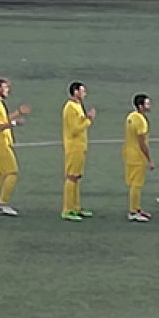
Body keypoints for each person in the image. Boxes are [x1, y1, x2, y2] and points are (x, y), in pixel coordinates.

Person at [0, 78, 29, 216]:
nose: (8, 90)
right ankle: (2, 204)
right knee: (12, 172)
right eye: (5, 87)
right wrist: (15, 123)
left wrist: (17, 112)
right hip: (0, 143)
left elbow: (3, 119)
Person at [61, 81, 95, 222]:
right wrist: (88, 119)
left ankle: (75, 207)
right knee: (71, 177)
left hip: (79, 146)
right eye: (82, 90)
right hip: (73, 146)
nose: (84, 93)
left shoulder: (77, 106)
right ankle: (67, 209)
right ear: (75, 92)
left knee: (76, 177)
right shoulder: (70, 108)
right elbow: (75, 129)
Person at [123, 94, 155, 222]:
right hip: (137, 156)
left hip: (128, 153)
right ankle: (132, 211)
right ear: (140, 106)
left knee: (132, 183)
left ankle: (136, 208)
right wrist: (149, 160)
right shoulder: (141, 121)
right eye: (147, 104)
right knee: (136, 185)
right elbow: (142, 143)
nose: (149, 106)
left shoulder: (130, 116)